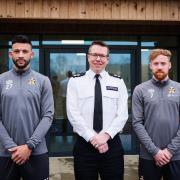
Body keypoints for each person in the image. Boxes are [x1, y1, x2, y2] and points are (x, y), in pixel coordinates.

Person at [66, 41, 128, 180]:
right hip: (84, 145)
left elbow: (122, 115)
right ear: (88, 57)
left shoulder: (118, 82)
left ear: (107, 59)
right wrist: (93, 138)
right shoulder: (75, 81)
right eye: (94, 55)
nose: (98, 59)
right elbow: (72, 113)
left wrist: (105, 136)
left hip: (112, 145)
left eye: (102, 55)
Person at [0, 35, 54, 180]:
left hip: (36, 152)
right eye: (17, 51)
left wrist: (29, 146)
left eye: (25, 51)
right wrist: (11, 147)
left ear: (32, 54)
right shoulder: (1, 80)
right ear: (11, 54)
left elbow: (48, 116)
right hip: (6, 153)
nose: (21, 55)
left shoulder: (43, 81)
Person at [132, 49, 180, 180]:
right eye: (156, 63)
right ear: (150, 65)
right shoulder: (140, 90)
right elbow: (137, 123)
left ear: (169, 65)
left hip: (176, 155)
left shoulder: (179, 88)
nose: (159, 67)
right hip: (149, 156)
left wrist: (170, 151)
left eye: (163, 63)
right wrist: (155, 151)